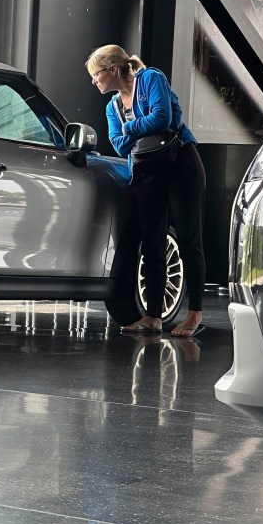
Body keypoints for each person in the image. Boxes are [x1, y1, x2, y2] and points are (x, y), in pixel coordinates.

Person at [86, 44, 206, 336]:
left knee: (189, 237)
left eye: (96, 74)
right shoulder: (112, 106)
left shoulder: (151, 78)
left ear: (113, 69)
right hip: (145, 170)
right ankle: (153, 316)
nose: (94, 81)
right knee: (152, 242)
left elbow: (162, 118)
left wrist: (131, 128)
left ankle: (194, 313)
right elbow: (118, 143)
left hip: (180, 163)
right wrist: (140, 127)